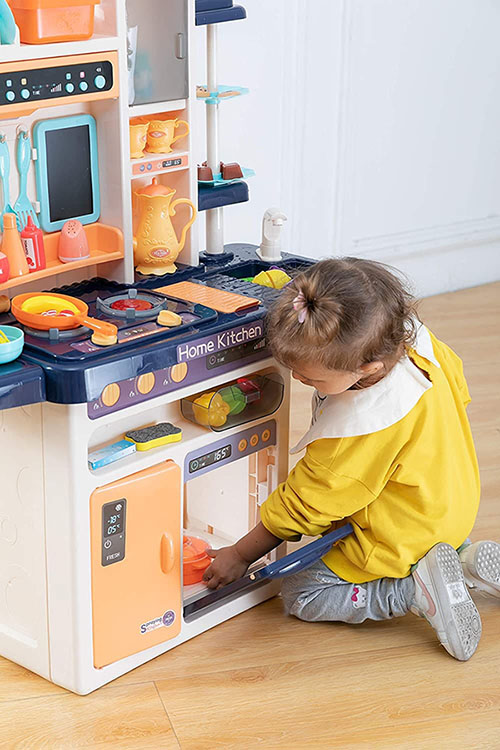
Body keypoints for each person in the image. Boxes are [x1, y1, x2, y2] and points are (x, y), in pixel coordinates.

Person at [204, 257, 500, 661]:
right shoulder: (421, 347)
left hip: (401, 535)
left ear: (368, 368)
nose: (298, 380)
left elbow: (305, 506)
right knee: (421, 517)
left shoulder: (357, 429)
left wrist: (240, 554)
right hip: (451, 505)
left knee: (301, 594)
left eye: (310, 378)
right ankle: (462, 562)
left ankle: (412, 589)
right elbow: (461, 392)